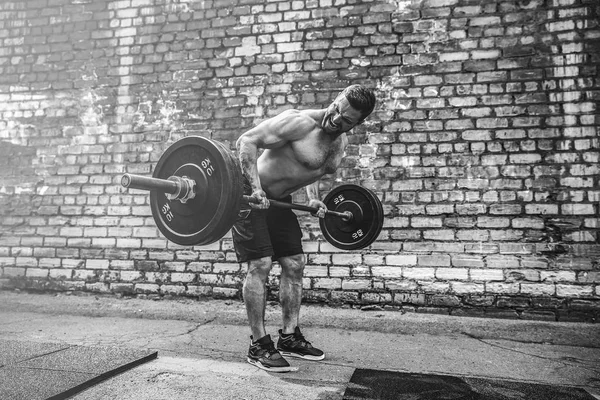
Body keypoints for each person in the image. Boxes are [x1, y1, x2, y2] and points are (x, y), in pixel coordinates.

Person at [233, 84, 376, 372]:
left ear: (358, 123)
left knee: (295, 263)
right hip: (251, 196)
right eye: (337, 109)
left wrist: (313, 199)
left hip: (280, 202)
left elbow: (313, 168)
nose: (335, 119)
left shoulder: (340, 144)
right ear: (336, 98)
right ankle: (259, 345)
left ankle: (289, 336)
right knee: (260, 264)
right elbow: (247, 141)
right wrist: (257, 188)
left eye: (346, 120)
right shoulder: (298, 122)